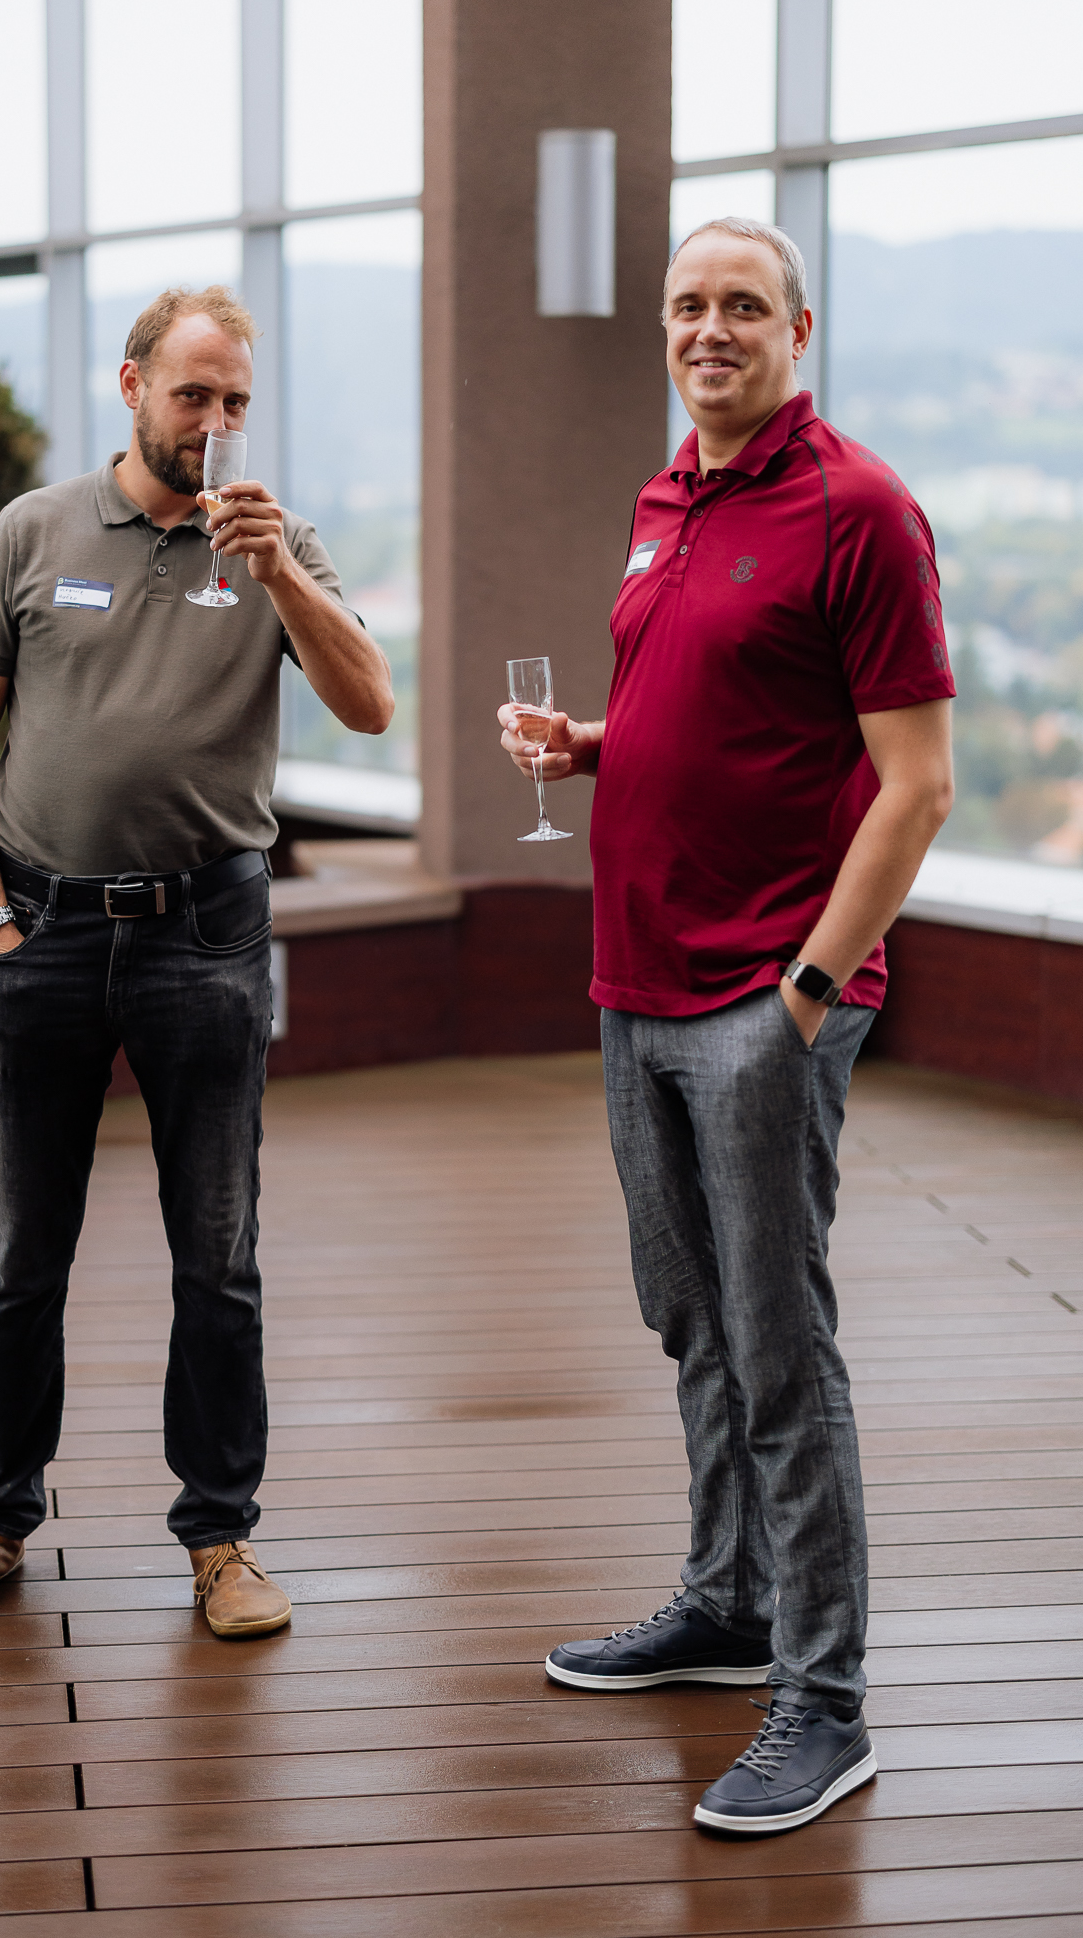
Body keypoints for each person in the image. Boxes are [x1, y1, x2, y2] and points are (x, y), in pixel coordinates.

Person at [499, 217, 955, 1834]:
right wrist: (591, 745)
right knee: (689, 1317)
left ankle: (822, 1702)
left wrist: (807, 992)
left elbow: (915, 785)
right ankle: (728, 1600)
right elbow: (719, 711)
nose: (709, 328)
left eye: (741, 306)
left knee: (777, 1345)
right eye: (687, 305)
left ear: (796, 331)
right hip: (635, 980)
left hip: (765, 996)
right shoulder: (665, 500)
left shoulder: (857, 507)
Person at [0, 285, 393, 1638]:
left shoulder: (278, 542)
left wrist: (280, 574)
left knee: (217, 1256)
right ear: (131, 388)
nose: (215, 422)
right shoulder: (36, 530)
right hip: (43, 932)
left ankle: (221, 1539)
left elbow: (370, 706)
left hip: (207, 936)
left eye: (236, 400)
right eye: (193, 394)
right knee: (23, 1255)